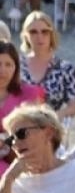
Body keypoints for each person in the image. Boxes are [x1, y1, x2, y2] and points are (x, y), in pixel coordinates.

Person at [18, 11, 75, 120]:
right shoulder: (15, 65)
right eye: (33, 32)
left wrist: (54, 117)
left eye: (45, 32)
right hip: (17, 123)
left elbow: (74, 107)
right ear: (25, 36)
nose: (39, 36)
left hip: (50, 125)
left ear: (52, 35)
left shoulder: (65, 69)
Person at [0, 39, 44, 174]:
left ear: (16, 68)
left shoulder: (29, 94)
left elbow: (38, 130)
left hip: (21, 157)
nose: (3, 70)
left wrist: (6, 141)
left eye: (9, 65)